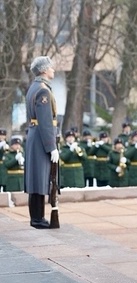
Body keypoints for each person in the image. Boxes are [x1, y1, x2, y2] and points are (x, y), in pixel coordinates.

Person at [24, 56, 59, 229]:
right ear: (44, 70)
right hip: (41, 137)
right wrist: (51, 146)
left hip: (34, 134)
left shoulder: (34, 87)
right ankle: (37, 218)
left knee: (35, 178)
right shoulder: (43, 91)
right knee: (39, 178)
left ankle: (37, 217)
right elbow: (45, 122)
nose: (53, 70)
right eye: (51, 67)